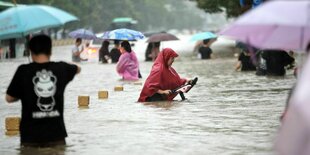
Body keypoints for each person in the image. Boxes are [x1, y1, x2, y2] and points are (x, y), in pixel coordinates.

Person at [5, 34, 81, 147]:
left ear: (30, 51)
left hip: (30, 138)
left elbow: (9, 98)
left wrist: (26, 92)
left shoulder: (23, 70)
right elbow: (78, 68)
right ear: (50, 50)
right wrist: (63, 64)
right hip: (56, 137)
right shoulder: (61, 68)